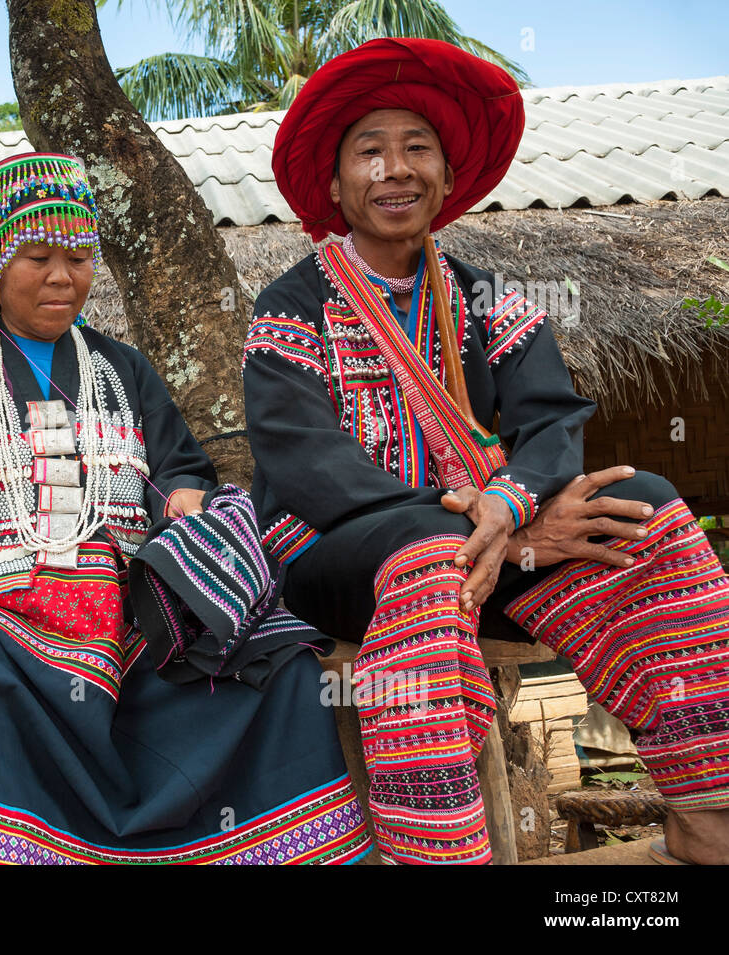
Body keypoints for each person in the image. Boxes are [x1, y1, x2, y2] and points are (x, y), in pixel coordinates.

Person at [245, 38, 729, 865]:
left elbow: (551, 422)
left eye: (417, 148)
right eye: (370, 152)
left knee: (642, 505)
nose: (395, 169)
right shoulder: (291, 305)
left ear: (445, 175)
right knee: (429, 552)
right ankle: (436, 849)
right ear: (334, 185)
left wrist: (512, 509)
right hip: (337, 557)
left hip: (494, 546)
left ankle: (705, 814)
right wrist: (509, 533)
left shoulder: (484, 295)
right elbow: (301, 461)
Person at [0, 152, 370, 864]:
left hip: (128, 616)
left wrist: (187, 496)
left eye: (78, 256)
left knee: (280, 669)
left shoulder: (123, 368)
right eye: (37, 256)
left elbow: (183, 464)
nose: (62, 277)